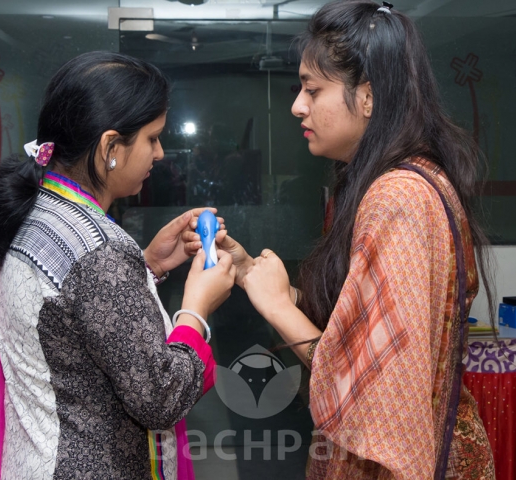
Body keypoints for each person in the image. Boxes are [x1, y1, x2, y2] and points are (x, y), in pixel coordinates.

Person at [205, 1, 496, 478]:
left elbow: (368, 385)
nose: (298, 105)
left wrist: (276, 306)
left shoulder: (396, 196)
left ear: (368, 97)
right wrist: (253, 275)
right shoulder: (404, 181)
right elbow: (362, 326)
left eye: (312, 89)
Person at [0, 51, 235, 479]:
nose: (160, 153)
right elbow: (161, 397)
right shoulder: (100, 250)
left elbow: (71, 320)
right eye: (152, 138)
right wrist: (196, 309)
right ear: (110, 147)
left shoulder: (34, 210)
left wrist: (146, 265)